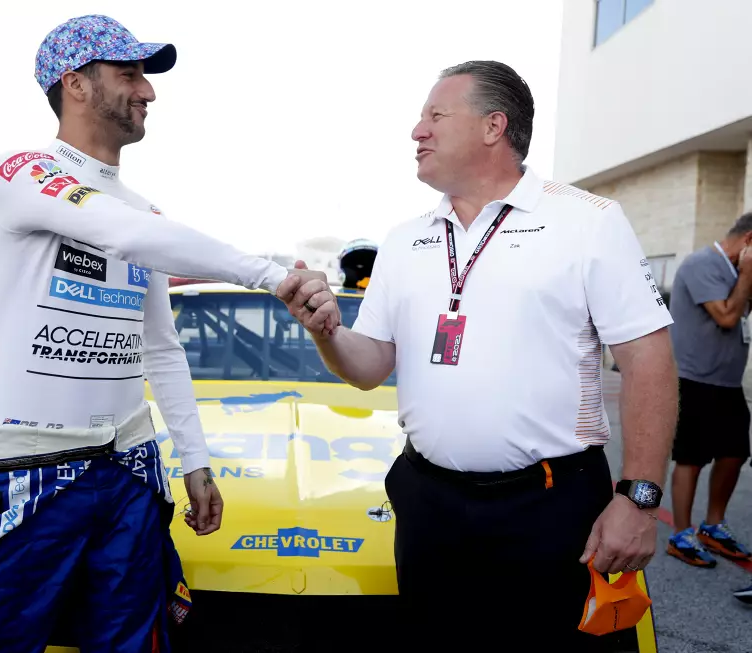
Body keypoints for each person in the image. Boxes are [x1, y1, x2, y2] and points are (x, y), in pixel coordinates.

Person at [0, 15, 324, 653]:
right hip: (30, 471)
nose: (149, 91)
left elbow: (161, 348)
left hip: (130, 469)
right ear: (75, 84)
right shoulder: (22, 172)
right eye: (129, 73)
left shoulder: (145, 213)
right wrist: (272, 276)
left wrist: (194, 461)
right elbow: (120, 233)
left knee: (134, 643)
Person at [276, 60, 677, 650]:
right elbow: (370, 368)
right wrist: (326, 330)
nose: (418, 131)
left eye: (436, 115)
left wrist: (639, 502)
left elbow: (649, 361)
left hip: (549, 506)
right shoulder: (405, 237)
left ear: (495, 126)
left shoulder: (586, 222)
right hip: (428, 501)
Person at [665, 213, 752, 568]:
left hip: (727, 382)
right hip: (694, 379)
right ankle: (681, 535)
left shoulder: (737, 271)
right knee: (691, 458)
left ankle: (713, 526)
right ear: (749, 240)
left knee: (734, 454)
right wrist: (748, 274)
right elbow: (728, 316)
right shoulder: (703, 263)